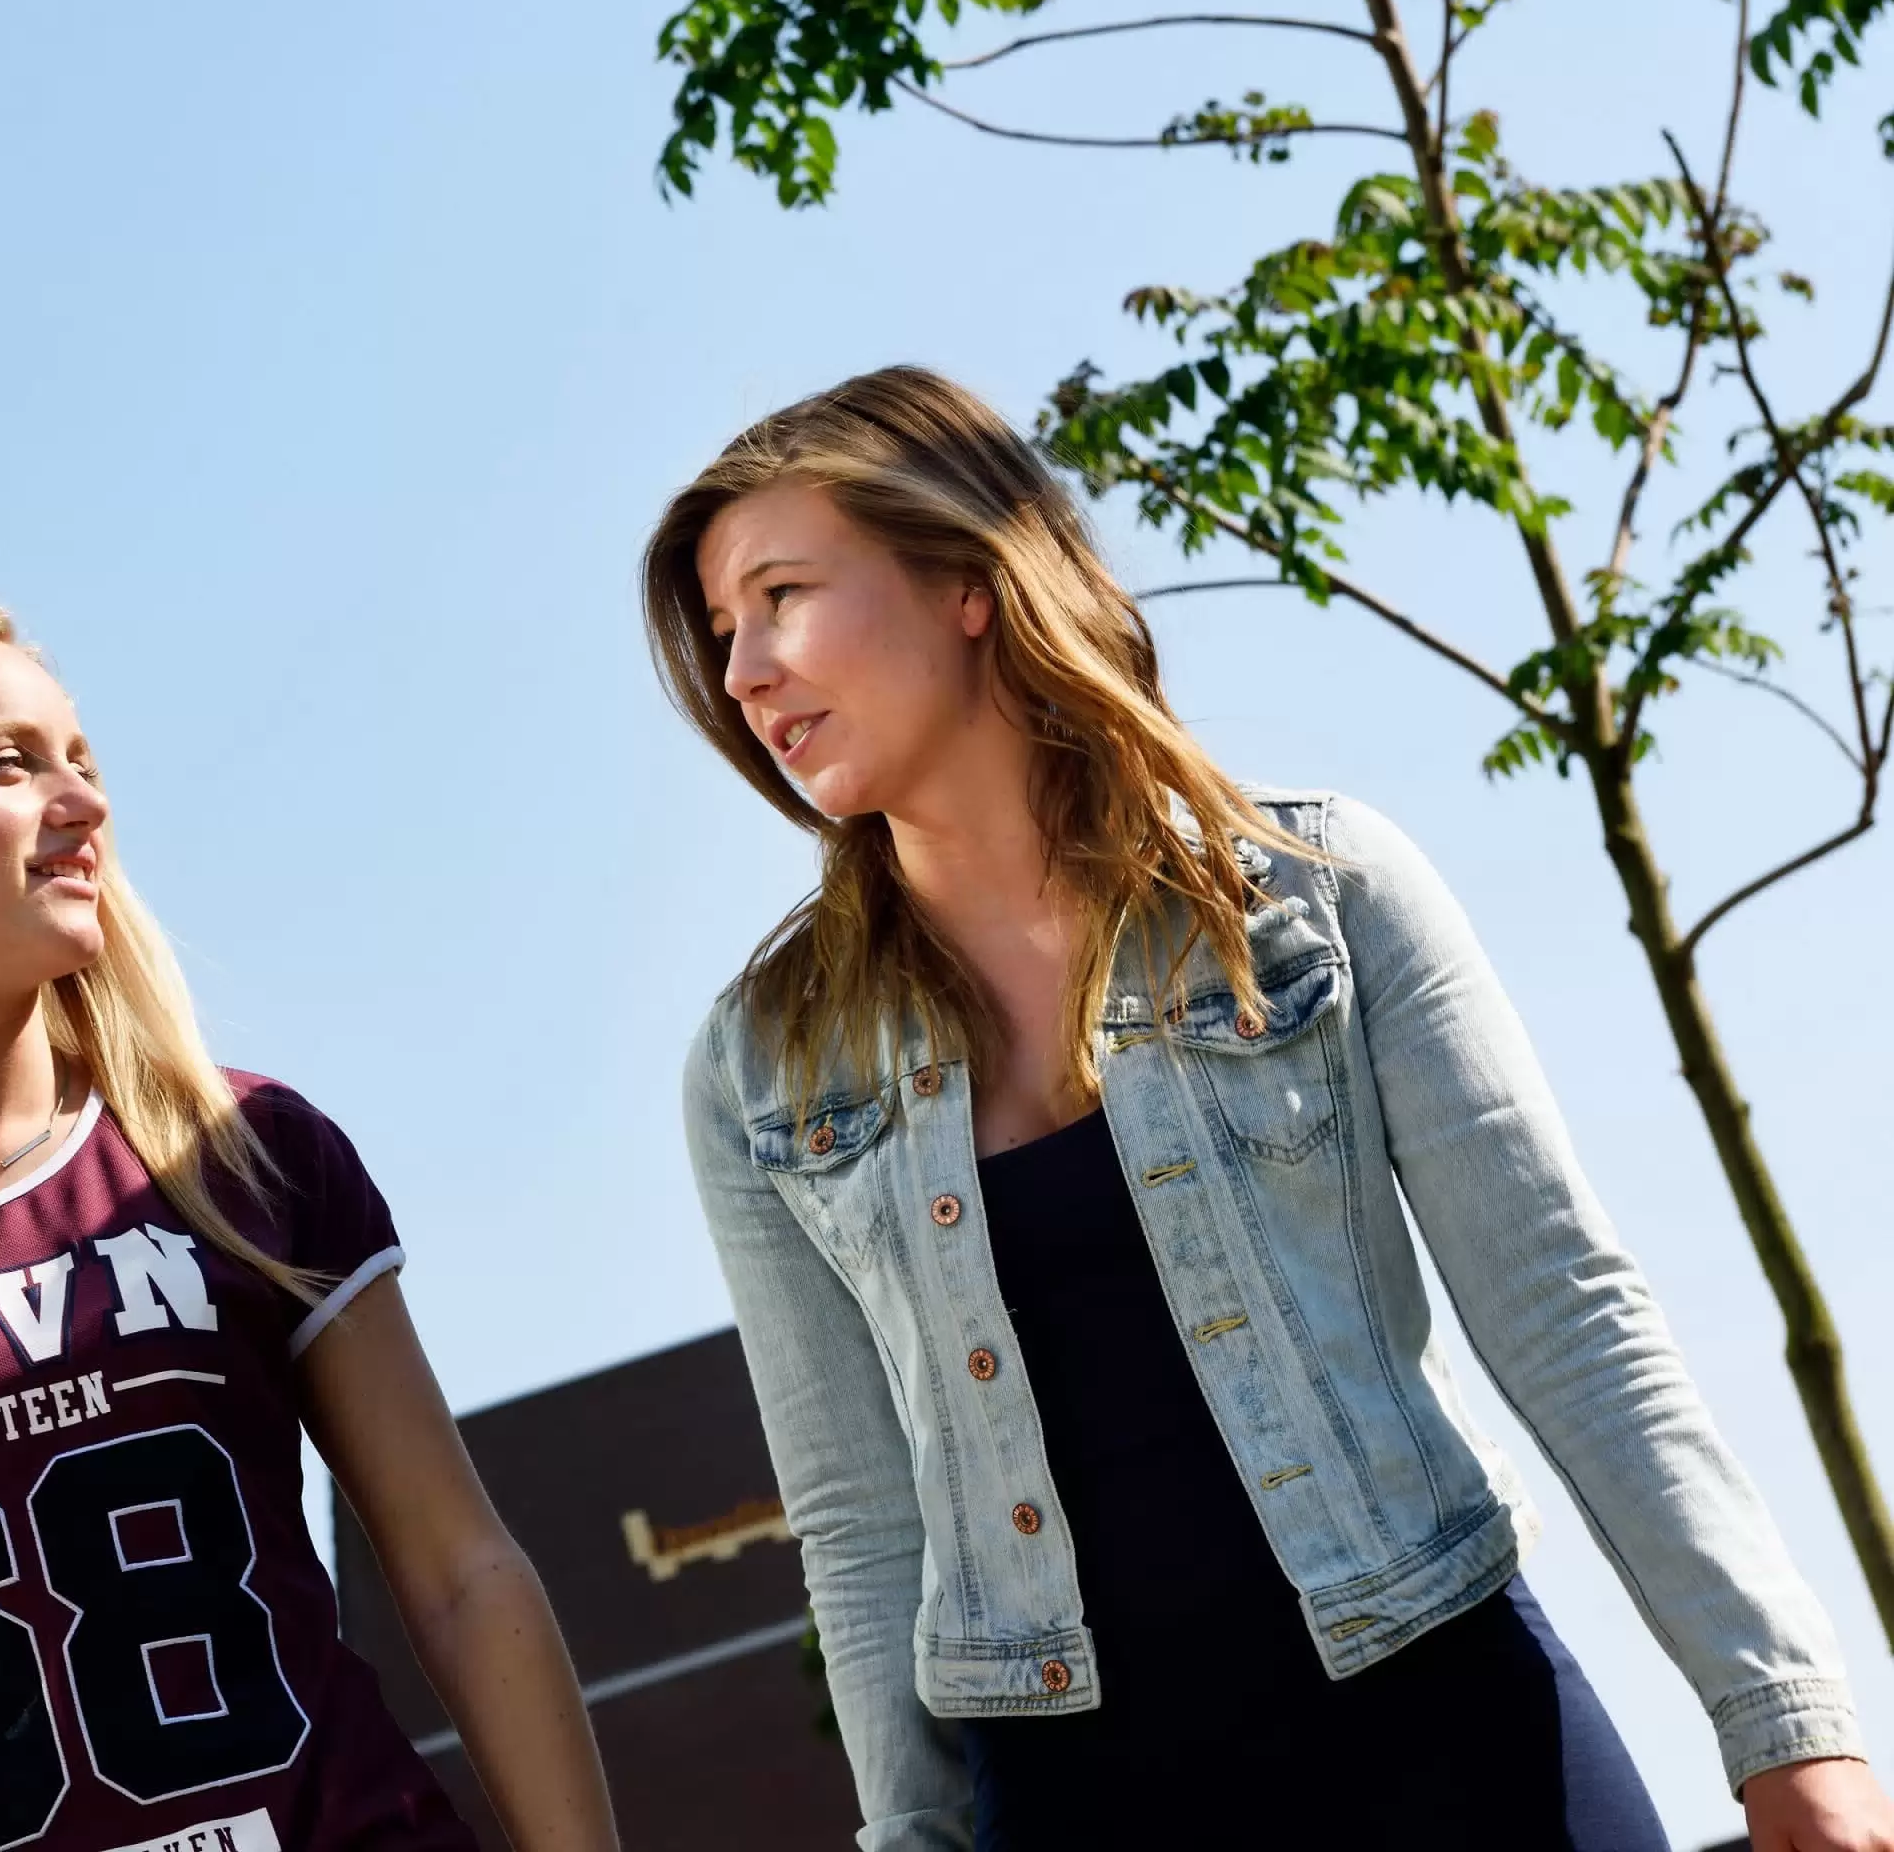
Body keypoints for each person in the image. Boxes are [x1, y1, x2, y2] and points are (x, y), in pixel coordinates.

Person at [646, 367, 1892, 1852]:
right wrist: (912, 1839)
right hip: (1081, 1802)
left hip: (1450, 1715)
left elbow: (1565, 1313)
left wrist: (1784, 1720)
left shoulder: (1319, 894)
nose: (744, 675)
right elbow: (859, 1521)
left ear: (966, 581)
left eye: (781, 595)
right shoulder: (765, 1069)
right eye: (723, 636)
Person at [0, 606, 617, 1852]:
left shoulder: (242, 1150)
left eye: (82, 760)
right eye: (11, 763)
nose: (81, 803)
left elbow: (463, 1577)